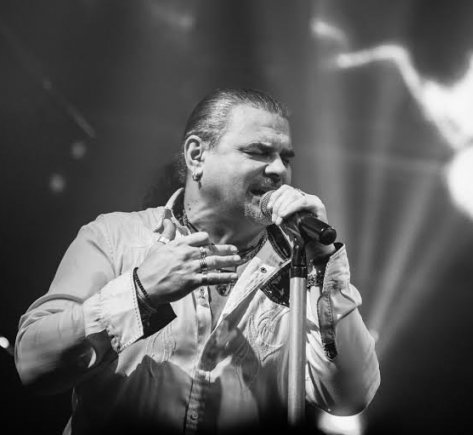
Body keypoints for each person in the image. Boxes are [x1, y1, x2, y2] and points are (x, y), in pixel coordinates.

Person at [15, 88, 380, 434]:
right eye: (258, 152)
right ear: (196, 156)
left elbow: (349, 397)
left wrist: (323, 267)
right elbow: (34, 364)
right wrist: (140, 292)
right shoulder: (114, 238)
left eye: (286, 158)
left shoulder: (300, 269)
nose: (278, 170)